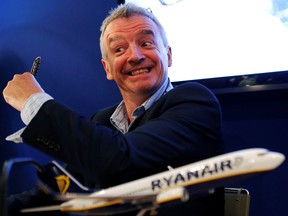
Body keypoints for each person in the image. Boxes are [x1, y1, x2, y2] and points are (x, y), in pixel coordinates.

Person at [2, 3, 224, 215]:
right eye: (119, 49)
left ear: (168, 56)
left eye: (146, 43)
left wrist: (34, 101)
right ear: (107, 68)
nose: (135, 56)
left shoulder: (194, 102)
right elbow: (59, 190)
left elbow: (120, 160)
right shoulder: (103, 120)